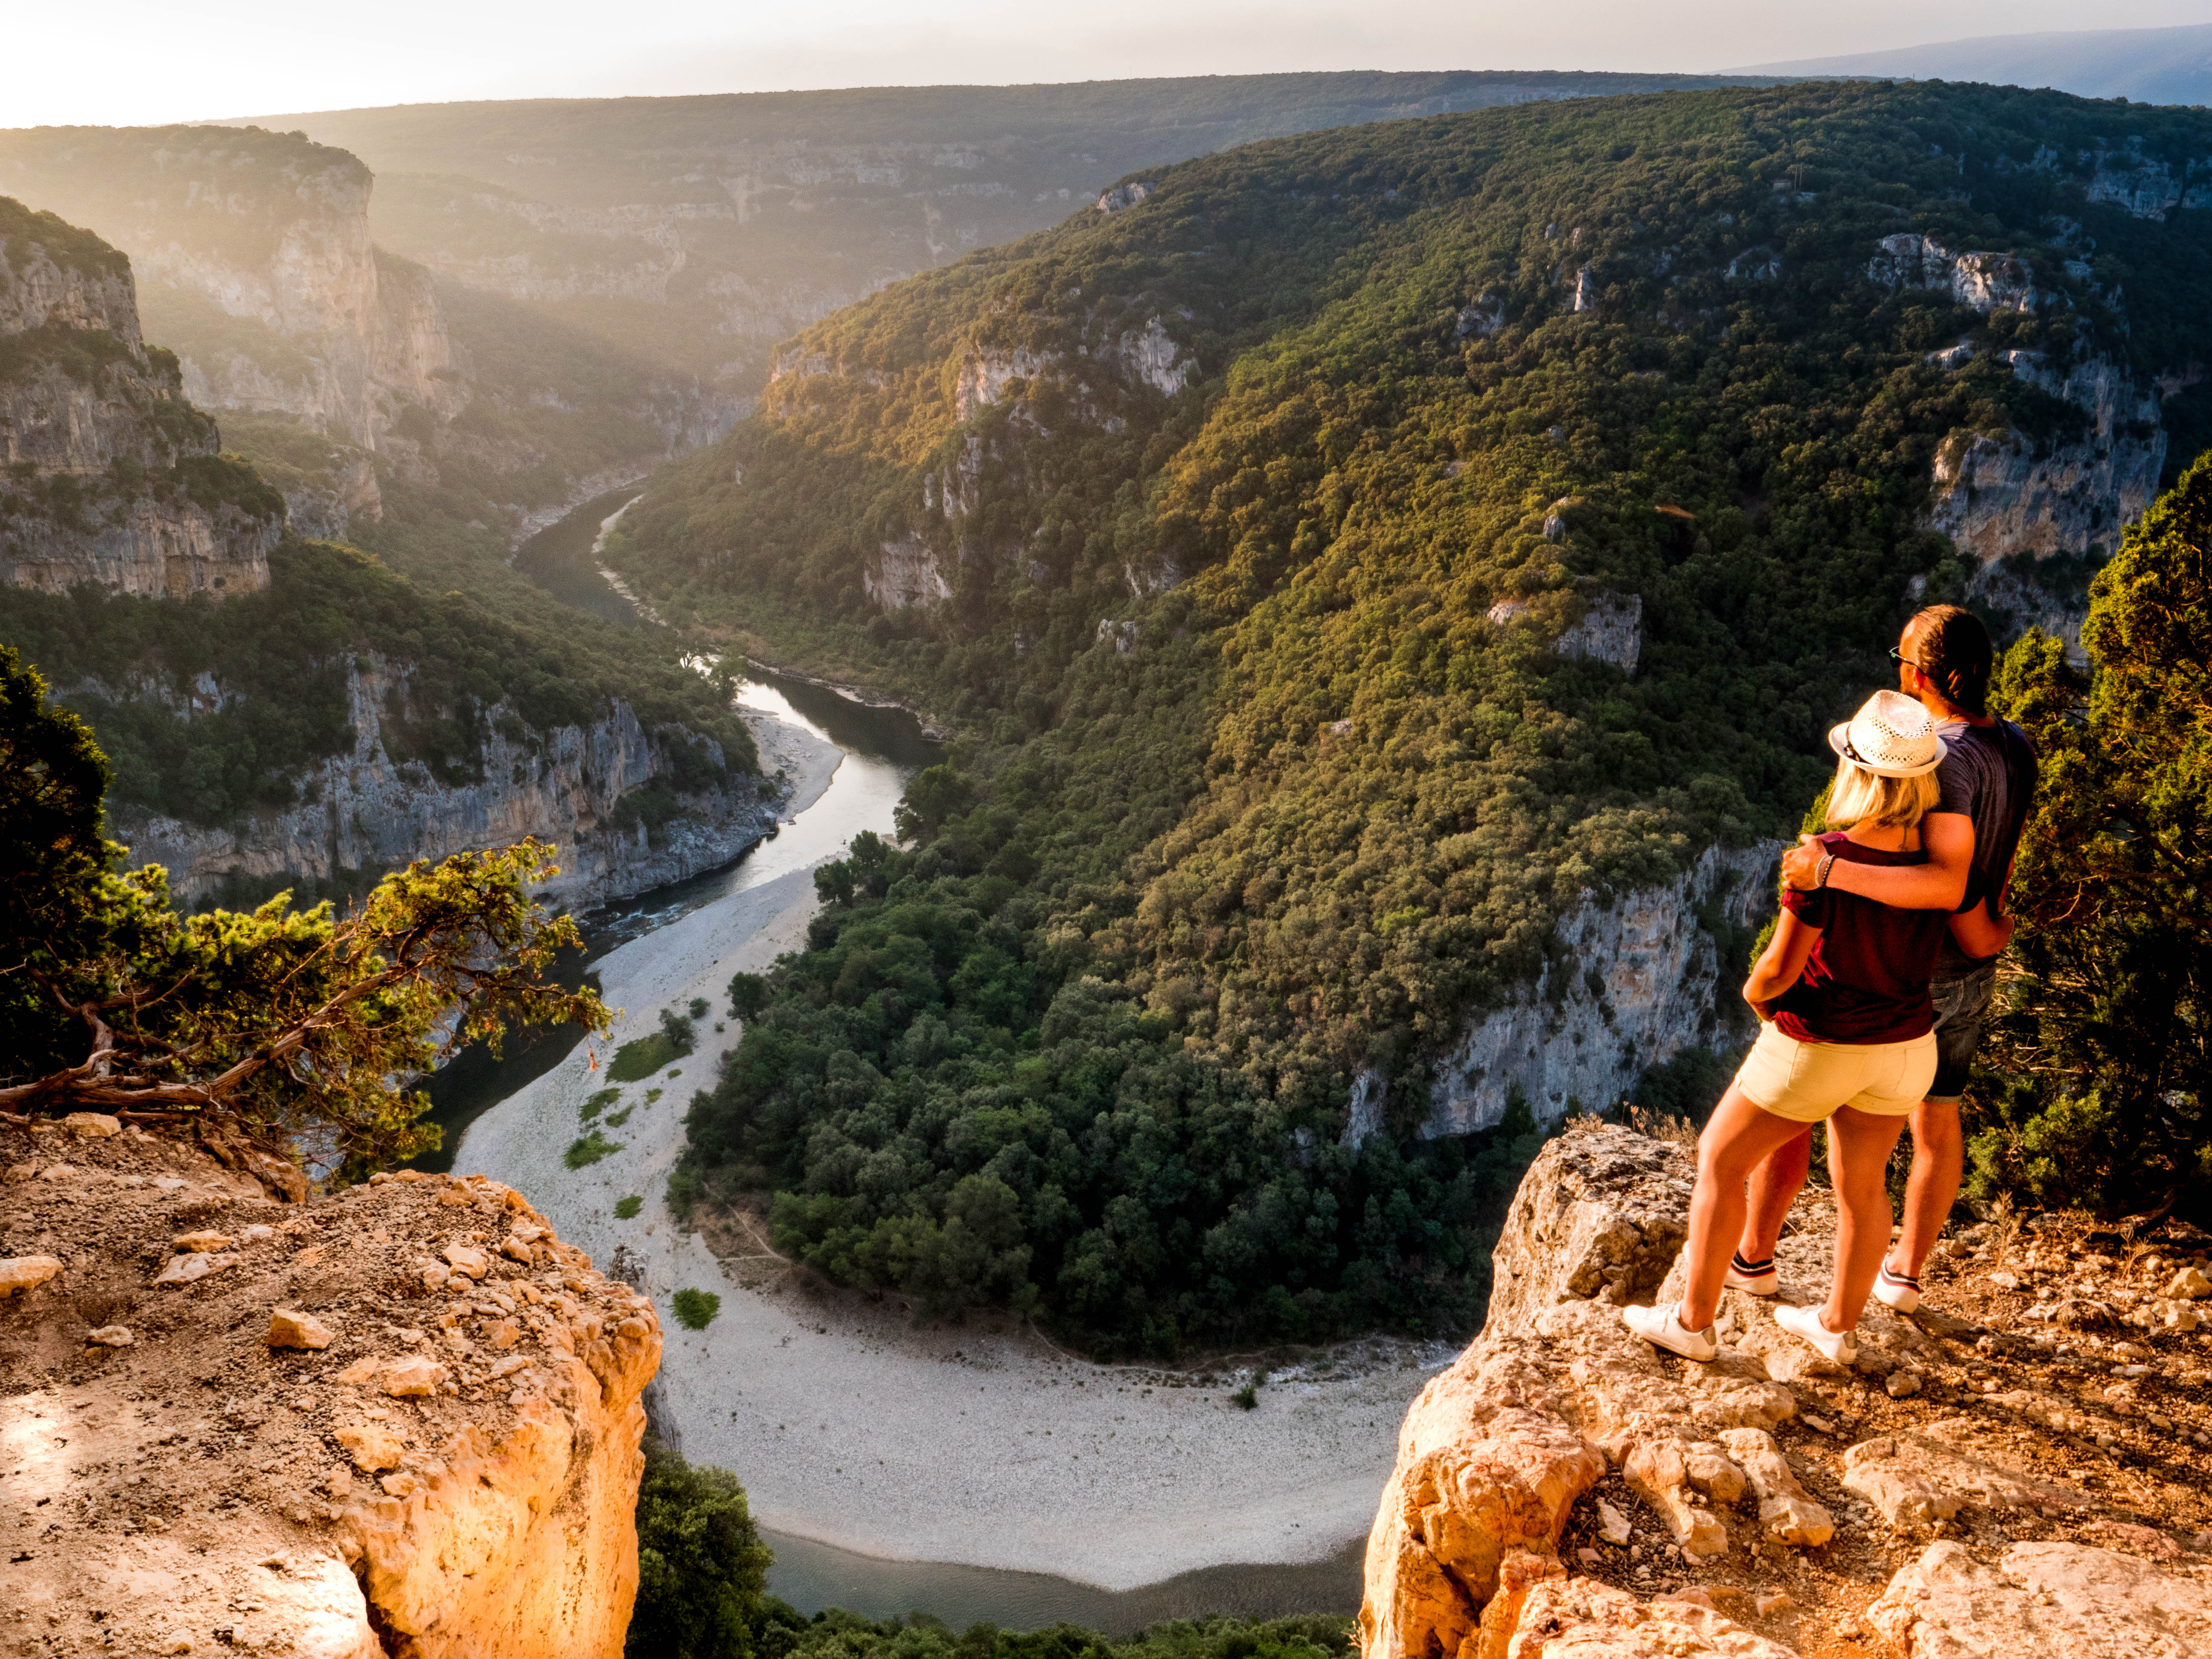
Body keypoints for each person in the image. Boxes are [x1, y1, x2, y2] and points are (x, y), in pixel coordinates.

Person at [1623, 689, 1989, 1364]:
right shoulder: (1936, 864)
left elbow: (1779, 968)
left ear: (1855, 770)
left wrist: (1754, 994)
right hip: (1908, 1047)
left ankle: (1693, 1322)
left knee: (1720, 1161)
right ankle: (1835, 1327)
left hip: (1821, 1044)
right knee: (1862, 1186)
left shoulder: (1823, 856)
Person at [1726, 607, 2037, 1313]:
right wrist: (1987, 930)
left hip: (1911, 961)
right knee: (1939, 1116)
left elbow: (1944, 878)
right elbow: (1998, 862)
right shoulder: (2016, 745)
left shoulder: (1942, 756)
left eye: (1898, 659)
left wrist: (1828, 871)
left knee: (1796, 1098)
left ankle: (1756, 1255)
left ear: (1919, 673)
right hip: (1971, 967)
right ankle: (1903, 1276)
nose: (1896, 669)